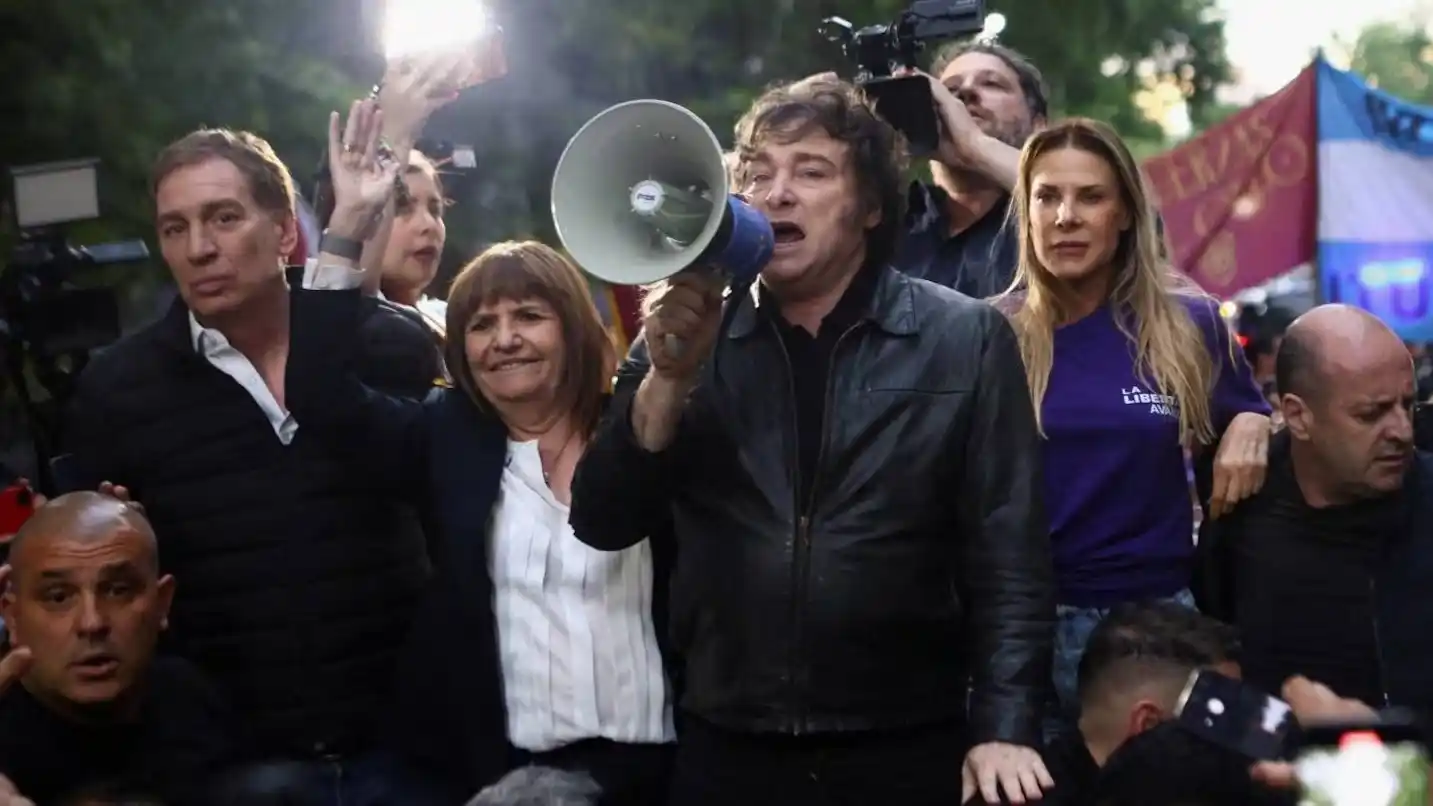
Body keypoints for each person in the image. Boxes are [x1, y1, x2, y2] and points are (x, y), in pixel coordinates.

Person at [570, 75, 1055, 806]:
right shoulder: (683, 337)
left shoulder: (963, 339)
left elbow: (1008, 552)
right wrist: (668, 379)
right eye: (757, 174)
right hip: (728, 740)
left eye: (811, 172)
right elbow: (603, 519)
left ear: (867, 206)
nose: (777, 193)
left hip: (903, 739)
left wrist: (1006, 723)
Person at [58, 76, 454, 800]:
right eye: (175, 228)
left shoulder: (383, 344)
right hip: (232, 767)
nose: (199, 248)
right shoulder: (118, 391)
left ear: (281, 231)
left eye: (222, 218)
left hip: (407, 749)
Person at [283, 99, 675, 803]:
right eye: (481, 325)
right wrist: (345, 226)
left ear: (576, 331)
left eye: (528, 316)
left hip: (666, 768)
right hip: (505, 774)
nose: (504, 339)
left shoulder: (639, 425)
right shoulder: (447, 437)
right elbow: (318, 399)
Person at [991, 117, 1270, 737]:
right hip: (1028, 631)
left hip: (1160, 624)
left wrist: (1253, 419)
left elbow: (1250, 411)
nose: (1066, 216)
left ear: (1124, 214)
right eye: (1047, 196)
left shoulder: (1188, 325)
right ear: (1026, 211)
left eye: (1090, 196)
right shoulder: (987, 334)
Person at [1195, 304, 1433, 721]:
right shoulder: (1242, 503)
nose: (1401, 431)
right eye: (1371, 413)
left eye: (1407, 404)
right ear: (1298, 416)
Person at [0, 492, 233, 805]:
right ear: (11, 617)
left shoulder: (186, 694)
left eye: (117, 590)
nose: (92, 622)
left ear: (163, 602)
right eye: (57, 597)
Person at [892, 42, 1046, 296]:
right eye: (949, 90)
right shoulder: (888, 221)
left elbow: (1075, 198)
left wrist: (975, 146)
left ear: (1038, 126)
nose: (965, 92)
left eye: (992, 83)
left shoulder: (1048, 221)